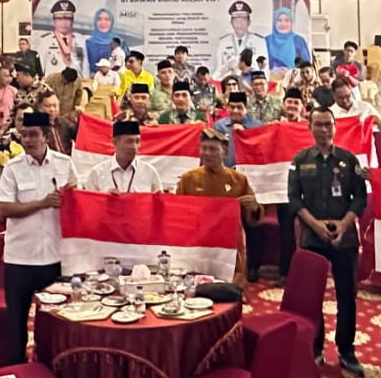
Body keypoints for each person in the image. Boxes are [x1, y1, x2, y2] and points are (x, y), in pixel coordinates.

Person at [287, 106, 367, 376]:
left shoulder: (349, 160)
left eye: (328, 124)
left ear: (335, 127)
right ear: (309, 127)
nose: (323, 129)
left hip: (345, 236)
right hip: (312, 235)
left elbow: (360, 198)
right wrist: (316, 225)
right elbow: (294, 199)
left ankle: (347, 350)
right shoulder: (300, 160)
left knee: (347, 295)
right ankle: (315, 347)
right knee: (312, 296)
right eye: (318, 124)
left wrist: (343, 224)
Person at [0, 113, 76, 363]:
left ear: (46, 136)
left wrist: (72, 200)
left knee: (56, 320)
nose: (28, 140)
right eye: (24, 135)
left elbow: (79, 203)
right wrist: (42, 203)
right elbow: (2, 210)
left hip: (55, 257)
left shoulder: (65, 164)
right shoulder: (13, 168)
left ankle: (52, 366)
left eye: (33, 135)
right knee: (16, 321)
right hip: (20, 258)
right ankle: (18, 366)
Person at [175, 128, 263, 282]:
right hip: (198, 242)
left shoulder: (238, 179)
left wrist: (254, 208)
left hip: (229, 242)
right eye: (204, 148)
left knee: (230, 284)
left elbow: (253, 218)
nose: (207, 153)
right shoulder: (188, 179)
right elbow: (178, 214)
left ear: (225, 153)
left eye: (213, 149)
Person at [82, 118, 164, 193]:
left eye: (137, 141)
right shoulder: (97, 173)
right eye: (129, 141)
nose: (134, 146)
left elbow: (160, 202)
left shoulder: (150, 172)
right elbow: (88, 202)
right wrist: (105, 199)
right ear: (115, 142)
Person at [215, 0, 268, 77]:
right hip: (230, 82)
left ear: (249, 22)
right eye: (236, 20)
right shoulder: (223, 42)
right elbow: (219, 71)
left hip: (251, 81)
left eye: (243, 19)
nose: (240, 24)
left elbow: (264, 70)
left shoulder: (259, 41)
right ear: (231, 22)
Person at [40, 0, 86, 78]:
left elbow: (85, 66)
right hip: (54, 82)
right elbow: (40, 67)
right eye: (59, 19)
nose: (64, 23)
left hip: (75, 82)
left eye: (67, 18)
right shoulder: (46, 41)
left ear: (72, 21)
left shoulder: (80, 40)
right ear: (54, 21)